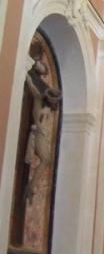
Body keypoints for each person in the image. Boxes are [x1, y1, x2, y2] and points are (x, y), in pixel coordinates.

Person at [23, 44, 61, 202]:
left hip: (42, 134)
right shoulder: (39, 100)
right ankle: (31, 187)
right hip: (39, 133)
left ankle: (32, 186)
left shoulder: (46, 106)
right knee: (45, 160)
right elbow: (33, 89)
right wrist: (27, 76)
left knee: (46, 160)